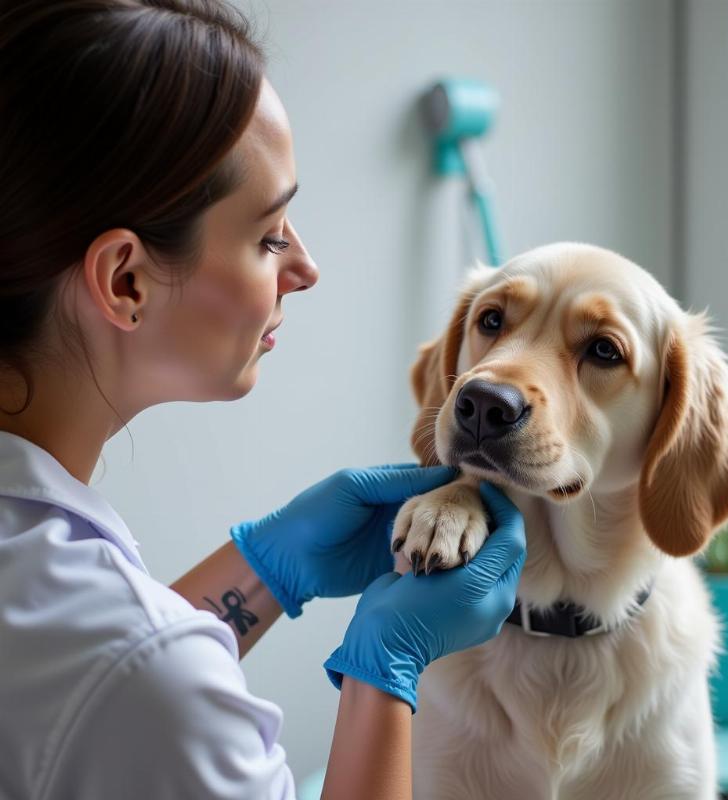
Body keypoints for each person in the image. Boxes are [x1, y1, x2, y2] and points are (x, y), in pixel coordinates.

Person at [0, 2, 527, 799]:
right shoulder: (143, 677)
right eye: (269, 234)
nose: (305, 267)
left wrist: (265, 571)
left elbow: (88, 702)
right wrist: (386, 666)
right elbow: (130, 684)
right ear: (125, 280)